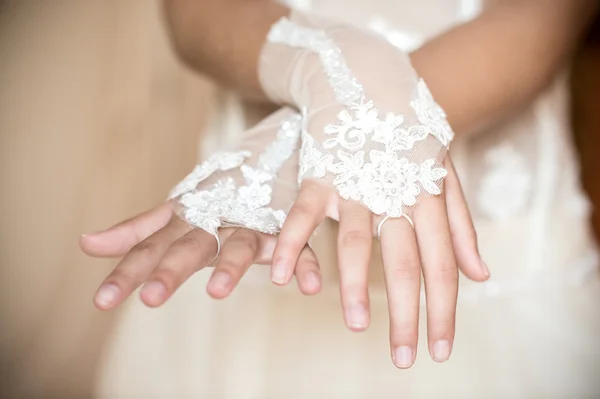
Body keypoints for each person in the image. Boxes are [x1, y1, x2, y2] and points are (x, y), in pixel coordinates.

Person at [81, 0, 600, 397]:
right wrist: (321, 61)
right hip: (243, 254)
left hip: (504, 280)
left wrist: (303, 143)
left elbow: (538, 20)